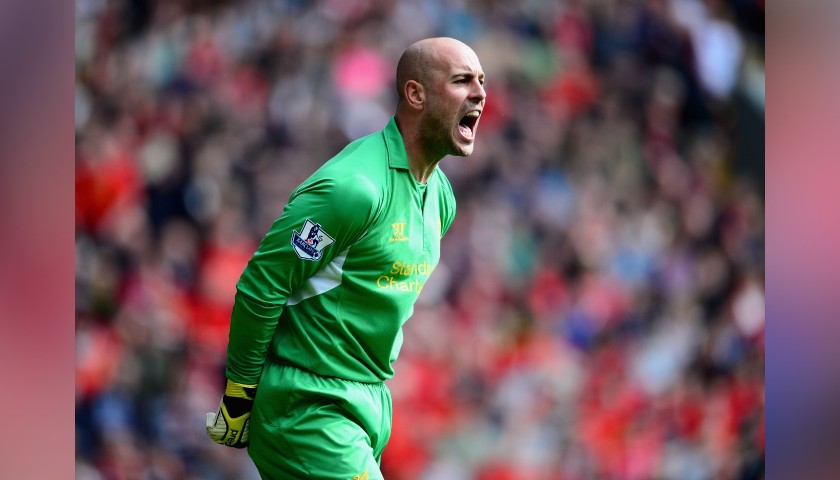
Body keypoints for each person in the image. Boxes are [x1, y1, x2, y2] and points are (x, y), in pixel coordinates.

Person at [205, 37, 486, 479]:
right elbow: (263, 284)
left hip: (369, 403)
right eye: (461, 81)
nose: (480, 94)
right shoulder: (354, 188)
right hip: (307, 406)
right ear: (416, 94)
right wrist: (239, 395)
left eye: (481, 82)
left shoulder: (441, 199)